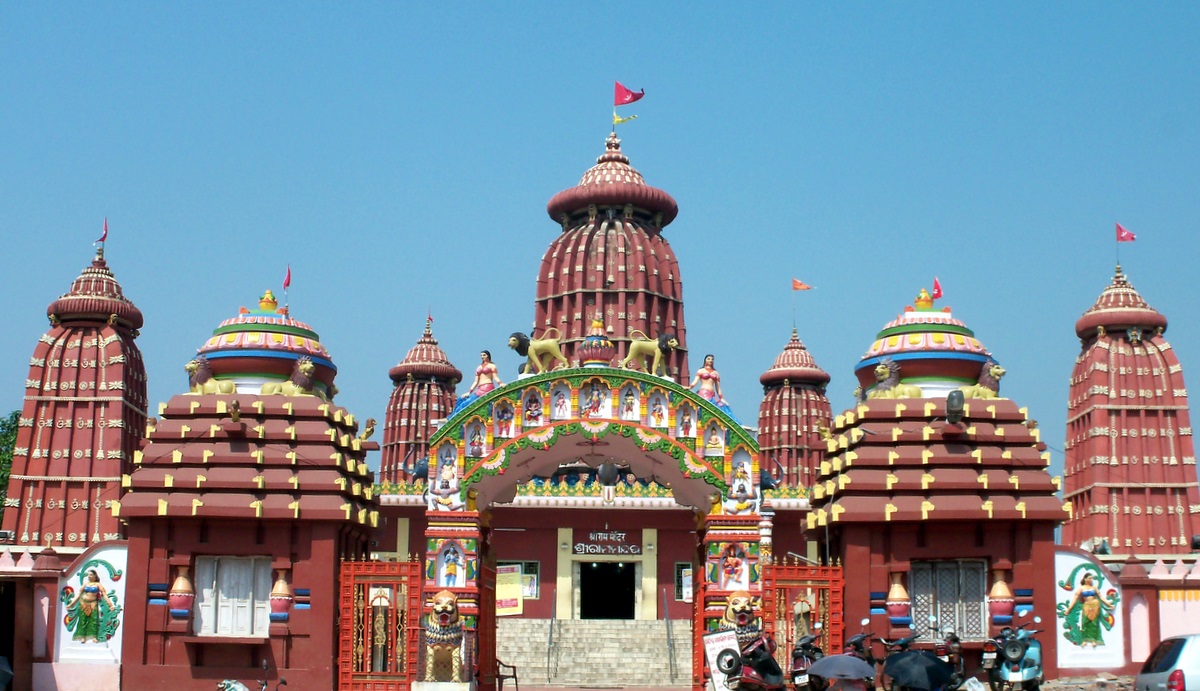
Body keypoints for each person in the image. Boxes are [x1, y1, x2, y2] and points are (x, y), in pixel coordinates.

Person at [1059, 571, 1117, 647]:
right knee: (1085, 622)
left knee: (1094, 622)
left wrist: (1109, 604)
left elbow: (1101, 597)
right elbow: (1075, 599)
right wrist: (1068, 609)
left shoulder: (1094, 588)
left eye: (1092, 578)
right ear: (1085, 579)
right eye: (1089, 578)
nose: (1091, 580)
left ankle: (1093, 639)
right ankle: (1084, 640)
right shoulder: (1081, 588)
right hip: (1086, 605)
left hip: (1095, 605)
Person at [65, 568, 119, 643]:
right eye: (88, 575)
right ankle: (82, 636)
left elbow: (104, 595)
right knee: (82, 620)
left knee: (94, 620)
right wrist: (71, 604)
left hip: (93, 603)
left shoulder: (98, 585)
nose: (89, 576)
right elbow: (78, 595)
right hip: (83, 603)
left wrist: (110, 605)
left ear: (95, 576)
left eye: (90, 575)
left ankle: (94, 636)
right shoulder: (85, 584)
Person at [690, 354, 739, 422]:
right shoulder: (701, 371)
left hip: (712, 394)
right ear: (705, 360)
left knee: (723, 406)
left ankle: (732, 422)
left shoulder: (716, 373)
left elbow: (718, 388)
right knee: (708, 407)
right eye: (709, 359)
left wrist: (722, 398)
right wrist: (689, 387)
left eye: (712, 359)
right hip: (704, 393)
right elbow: (695, 382)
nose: (711, 360)